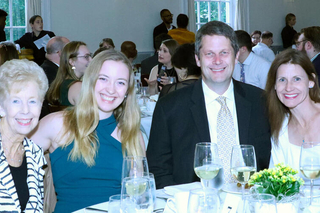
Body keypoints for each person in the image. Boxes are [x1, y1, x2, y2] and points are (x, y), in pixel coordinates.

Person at [146, 21, 271, 189]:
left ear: (235, 56)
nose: (217, 61)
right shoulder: (169, 107)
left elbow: (272, 161)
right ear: (198, 59)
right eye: (209, 54)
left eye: (224, 53)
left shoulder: (261, 102)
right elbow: (158, 170)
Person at [30, 50, 145, 212]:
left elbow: (140, 196)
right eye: (103, 79)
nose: (111, 90)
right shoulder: (57, 124)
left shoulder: (132, 135)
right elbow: (12, 164)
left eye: (120, 82)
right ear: (90, 81)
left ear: (127, 91)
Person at [0, 59, 48, 212]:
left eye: (33, 101)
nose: (26, 110)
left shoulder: (35, 153)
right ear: (1, 108)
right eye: (16, 101)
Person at [266, 49, 320, 183]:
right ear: (274, 86)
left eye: (297, 79)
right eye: (282, 80)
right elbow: (276, 183)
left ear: (311, 81)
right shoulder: (280, 129)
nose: (288, 87)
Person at [46, 41, 92, 106]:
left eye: (90, 56)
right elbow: (90, 114)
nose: (91, 60)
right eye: (86, 57)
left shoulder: (60, 83)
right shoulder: (77, 87)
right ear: (72, 62)